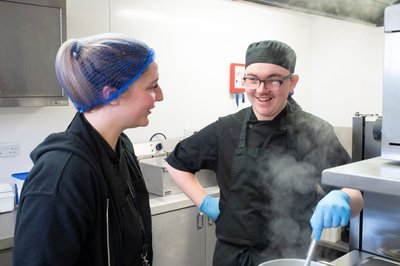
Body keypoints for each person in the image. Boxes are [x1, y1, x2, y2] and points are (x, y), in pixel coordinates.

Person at [166, 40, 363, 265]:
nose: (261, 89)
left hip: (290, 255)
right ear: (244, 80)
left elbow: (356, 193)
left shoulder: (314, 132)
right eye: (253, 79)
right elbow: (175, 163)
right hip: (232, 257)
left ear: (292, 82)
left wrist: (345, 197)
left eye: (274, 80)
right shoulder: (226, 129)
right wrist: (204, 202)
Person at [12, 33, 163, 266]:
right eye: (152, 87)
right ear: (112, 94)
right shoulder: (61, 174)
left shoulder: (122, 147)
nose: (160, 96)